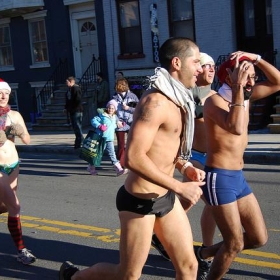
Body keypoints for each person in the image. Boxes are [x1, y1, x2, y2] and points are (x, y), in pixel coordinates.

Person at [59, 37, 206, 280]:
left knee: (189, 267)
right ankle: (74, 277)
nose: (200, 68)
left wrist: (185, 166)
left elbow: (163, 149)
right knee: (127, 275)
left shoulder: (180, 100)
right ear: (177, 63)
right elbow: (134, 158)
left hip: (165, 197)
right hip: (140, 202)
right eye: (197, 62)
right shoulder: (155, 102)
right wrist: (180, 186)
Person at [195, 51, 280, 280]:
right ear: (230, 77)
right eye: (246, 75)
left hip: (237, 177)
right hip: (218, 178)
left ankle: (203, 253)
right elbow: (235, 127)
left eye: (253, 76)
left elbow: (278, 82)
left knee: (258, 238)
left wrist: (257, 59)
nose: (251, 81)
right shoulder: (214, 101)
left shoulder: (246, 97)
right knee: (234, 244)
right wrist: (238, 90)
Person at [151, 52, 218, 262]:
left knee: (192, 203)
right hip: (195, 156)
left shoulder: (216, 94)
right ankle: (204, 253)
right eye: (205, 65)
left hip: (215, 158)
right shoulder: (189, 95)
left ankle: (162, 234)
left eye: (213, 66)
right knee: (212, 204)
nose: (210, 69)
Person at [0, 78, 36, 265]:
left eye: (6, 92)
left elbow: (27, 140)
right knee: (14, 205)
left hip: (13, 164)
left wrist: (21, 131)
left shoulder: (15, 115)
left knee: (4, 206)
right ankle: (21, 250)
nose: (3, 96)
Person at [86, 99, 128, 177]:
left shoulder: (115, 117)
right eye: (109, 108)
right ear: (106, 108)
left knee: (112, 154)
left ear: (115, 109)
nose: (110, 110)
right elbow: (93, 120)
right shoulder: (102, 115)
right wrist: (99, 126)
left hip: (109, 139)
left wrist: (121, 124)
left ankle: (119, 169)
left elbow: (113, 126)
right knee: (97, 154)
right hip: (101, 139)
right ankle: (91, 167)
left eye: (112, 108)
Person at [112, 78, 139, 170]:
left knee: (132, 143)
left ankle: (132, 161)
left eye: (118, 85)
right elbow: (111, 111)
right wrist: (117, 121)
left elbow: (139, 109)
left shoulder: (133, 97)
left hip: (131, 122)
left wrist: (128, 108)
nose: (117, 87)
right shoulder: (114, 98)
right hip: (120, 124)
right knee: (121, 144)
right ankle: (122, 163)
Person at [64, 76, 84, 149]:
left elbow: (77, 100)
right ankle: (79, 141)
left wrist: (72, 108)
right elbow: (68, 100)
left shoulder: (76, 88)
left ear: (71, 81)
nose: (66, 83)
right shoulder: (69, 90)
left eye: (67, 82)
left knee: (77, 126)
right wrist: (66, 108)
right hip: (72, 110)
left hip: (77, 111)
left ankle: (80, 142)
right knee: (75, 127)